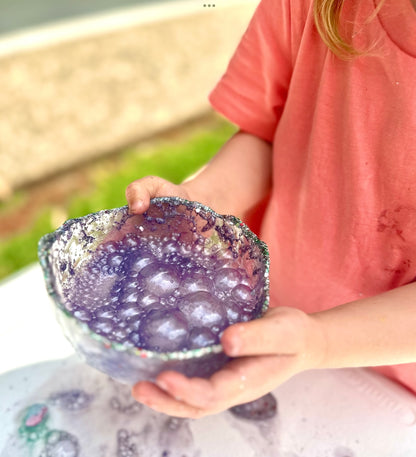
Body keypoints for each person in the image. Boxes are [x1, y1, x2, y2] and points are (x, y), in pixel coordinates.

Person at [126, 0, 416, 418]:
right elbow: (267, 136)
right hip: (270, 322)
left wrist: (319, 342)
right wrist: (203, 203)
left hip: (398, 382)